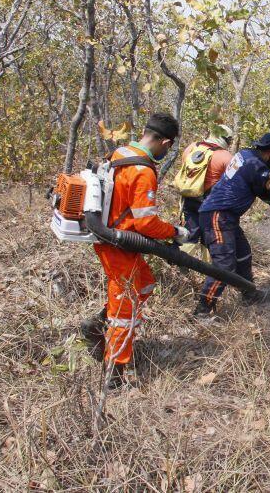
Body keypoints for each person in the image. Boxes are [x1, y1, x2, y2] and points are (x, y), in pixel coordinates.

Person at [80, 113, 189, 388]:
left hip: (116, 241)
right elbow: (147, 223)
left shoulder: (121, 152)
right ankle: (114, 374)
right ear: (165, 141)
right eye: (168, 147)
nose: (167, 151)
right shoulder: (142, 170)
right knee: (124, 312)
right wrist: (176, 232)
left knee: (145, 284)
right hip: (117, 245)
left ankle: (97, 324)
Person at [193, 132, 270, 317]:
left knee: (243, 255)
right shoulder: (256, 167)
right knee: (223, 267)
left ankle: (249, 295)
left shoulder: (247, 154)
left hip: (226, 217)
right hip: (217, 216)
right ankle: (202, 311)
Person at [175, 124, 234, 254]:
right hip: (210, 203)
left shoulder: (192, 147)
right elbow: (233, 182)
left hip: (189, 197)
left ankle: (179, 260)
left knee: (190, 231)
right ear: (225, 139)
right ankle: (209, 269)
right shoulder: (225, 156)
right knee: (210, 235)